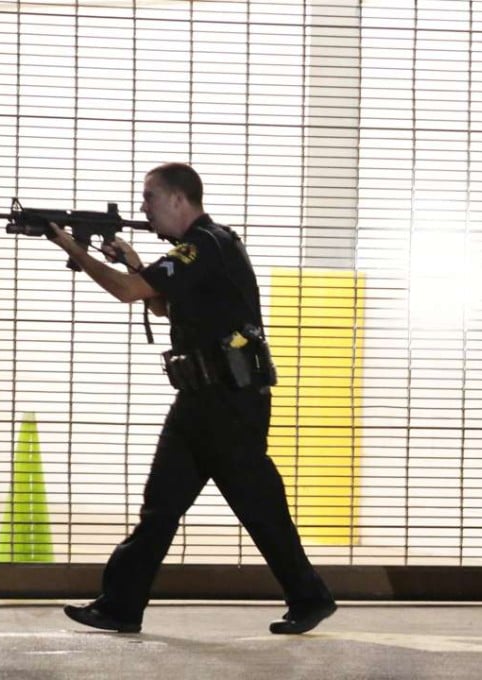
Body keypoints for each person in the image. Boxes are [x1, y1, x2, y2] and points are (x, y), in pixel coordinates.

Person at [49, 162, 336, 634]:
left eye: (150, 198)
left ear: (179, 199)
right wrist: (136, 263)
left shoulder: (204, 246)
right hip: (202, 401)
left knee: (259, 506)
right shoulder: (198, 249)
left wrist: (71, 248)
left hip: (227, 403)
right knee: (162, 505)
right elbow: (162, 304)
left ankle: (309, 596)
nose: (144, 208)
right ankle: (120, 605)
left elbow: (126, 293)